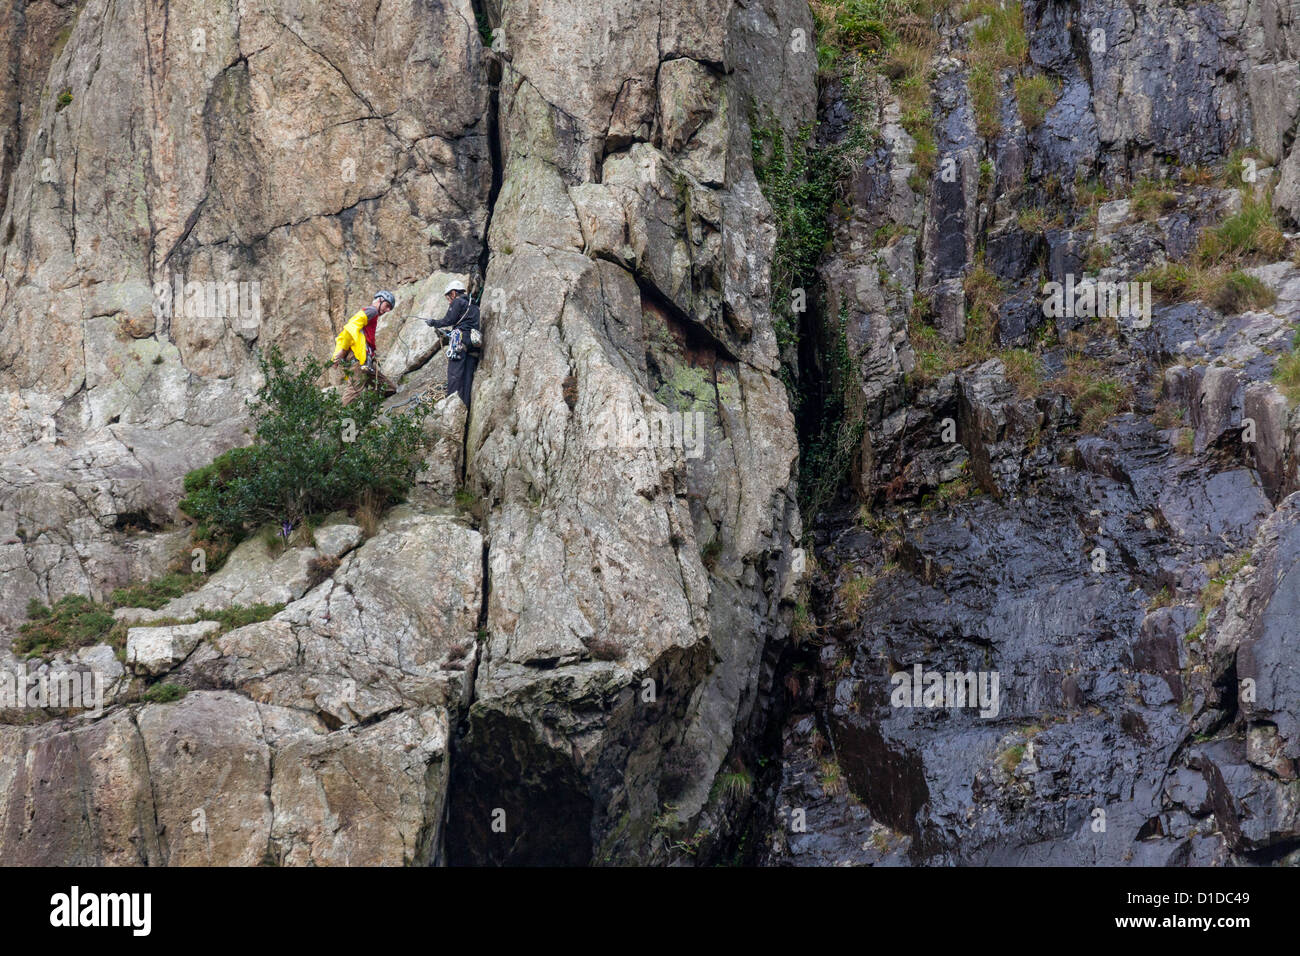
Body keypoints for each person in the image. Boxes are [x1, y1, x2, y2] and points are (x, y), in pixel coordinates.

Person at [332, 290, 398, 405]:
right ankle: (343, 420)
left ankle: (369, 408)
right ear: (379, 300)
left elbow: (345, 334)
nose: (387, 310)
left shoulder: (372, 315)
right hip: (358, 360)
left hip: (365, 362)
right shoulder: (372, 311)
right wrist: (341, 352)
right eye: (387, 306)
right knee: (353, 392)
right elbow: (349, 328)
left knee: (389, 388)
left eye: (390, 308)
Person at [425, 280, 480, 406]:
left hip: (460, 342)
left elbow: (448, 320)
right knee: (467, 378)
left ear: (454, 293)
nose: (449, 301)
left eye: (448, 297)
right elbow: (465, 324)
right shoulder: (474, 305)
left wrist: (433, 322)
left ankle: (451, 408)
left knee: (454, 375)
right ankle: (464, 407)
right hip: (473, 344)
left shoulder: (458, 302)